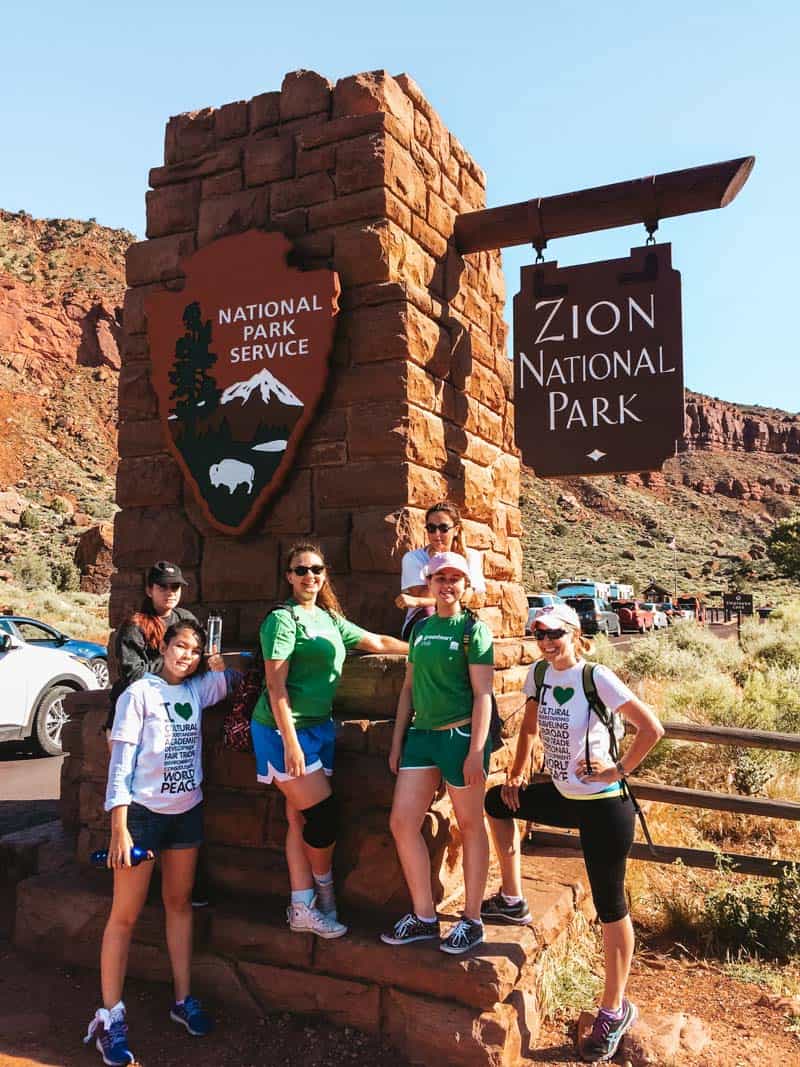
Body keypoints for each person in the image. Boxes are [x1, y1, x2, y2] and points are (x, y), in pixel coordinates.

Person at [482, 604, 664, 1062]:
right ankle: (512, 897)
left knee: (609, 906)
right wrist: (517, 774)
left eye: (554, 633)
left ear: (575, 633)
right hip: (566, 798)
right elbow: (527, 728)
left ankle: (613, 1009)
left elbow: (652, 728)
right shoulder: (540, 676)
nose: (545, 641)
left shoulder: (596, 677)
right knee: (493, 804)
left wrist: (616, 770)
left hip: (605, 808)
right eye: (538, 633)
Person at [84, 620, 240, 1067]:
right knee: (125, 916)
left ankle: (182, 999)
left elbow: (232, 678)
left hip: (186, 813)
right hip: (142, 817)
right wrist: (119, 825)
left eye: (193, 650)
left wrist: (218, 661)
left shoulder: (197, 689)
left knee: (179, 903)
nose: (186, 655)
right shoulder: (141, 694)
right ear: (164, 647)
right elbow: (120, 761)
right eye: (180, 646)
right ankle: (109, 1018)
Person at [251, 542, 408, 939]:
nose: (310, 576)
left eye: (316, 569)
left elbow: (376, 642)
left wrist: (428, 648)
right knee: (322, 816)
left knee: (298, 817)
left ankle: (301, 904)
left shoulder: (328, 619)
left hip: (319, 728)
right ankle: (325, 894)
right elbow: (276, 685)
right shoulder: (282, 621)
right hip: (281, 730)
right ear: (288, 577)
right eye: (301, 570)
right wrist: (290, 743)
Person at [382, 551, 494, 954]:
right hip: (421, 737)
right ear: (428, 584)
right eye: (440, 579)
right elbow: (409, 689)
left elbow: (483, 695)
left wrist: (476, 750)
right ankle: (425, 916)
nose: (447, 586)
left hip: (458, 736)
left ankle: (472, 919)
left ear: (465, 586)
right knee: (401, 822)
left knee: (469, 825)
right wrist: (397, 742)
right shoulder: (421, 629)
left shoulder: (472, 631)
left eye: (455, 579)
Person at [105, 561, 209, 907]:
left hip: (173, 709)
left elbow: (199, 658)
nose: (170, 593)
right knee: (134, 791)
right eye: (163, 586)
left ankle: (181, 885)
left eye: (176, 587)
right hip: (134, 714)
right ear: (149, 588)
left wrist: (196, 665)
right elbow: (132, 673)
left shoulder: (185, 620)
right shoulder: (134, 626)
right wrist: (172, 664)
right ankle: (130, 871)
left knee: (180, 797)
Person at [395, 501, 485, 641]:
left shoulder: (470, 556)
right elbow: (426, 598)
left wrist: (417, 602)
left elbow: (466, 599)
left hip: (456, 619)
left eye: (443, 528)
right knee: (429, 611)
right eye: (431, 528)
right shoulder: (413, 558)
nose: (437, 534)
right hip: (423, 622)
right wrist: (435, 563)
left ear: (456, 529)